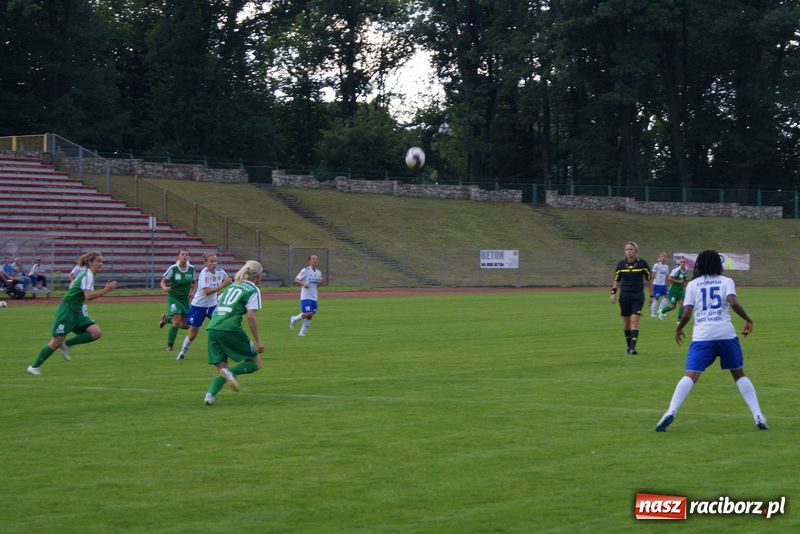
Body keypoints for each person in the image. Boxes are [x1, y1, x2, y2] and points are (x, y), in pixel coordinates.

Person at [655, 250, 767, 431]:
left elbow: (687, 312)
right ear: (718, 264)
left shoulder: (693, 284)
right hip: (725, 335)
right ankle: (758, 415)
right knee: (739, 374)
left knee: (691, 375)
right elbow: (733, 302)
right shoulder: (726, 281)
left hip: (702, 337)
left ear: (699, 265)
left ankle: (670, 412)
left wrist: (679, 328)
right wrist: (748, 319)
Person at [26, 252, 117, 375]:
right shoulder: (87, 275)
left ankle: (67, 344)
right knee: (56, 341)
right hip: (67, 311)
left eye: (102, 261)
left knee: (96, 333)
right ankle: (34, 367)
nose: (101, 263)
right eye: (98, 261)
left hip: (76, 311)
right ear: (90, 262)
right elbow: (88, 296)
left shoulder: (88, 274)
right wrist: (107, 289)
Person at [203, 260, 265, 406]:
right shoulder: (253, 290)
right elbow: (250, 316)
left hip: (212, 327)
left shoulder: (232, 285)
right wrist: (258, 341)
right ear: (257, 276)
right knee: (255, 362)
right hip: (230, 328)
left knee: (222, 366)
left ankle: (209, 396)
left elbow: (219, 304)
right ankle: (230, 373)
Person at [175, 253, 232, 361]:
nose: (214, 263)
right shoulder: (204, 274)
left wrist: (224, 294)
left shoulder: (221, 272)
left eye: (215, 261)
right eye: (211, 261)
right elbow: (207, 292)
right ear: (205, 263)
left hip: (212, 306)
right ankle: (182, 352)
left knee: (222, 326)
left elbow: (229, 283)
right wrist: (223, 285)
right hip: (198, 306)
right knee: (192, 334)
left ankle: (224, 351)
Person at [610, 241, 652, 355]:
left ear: (636, 251)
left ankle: (633, 348)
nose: (629, 251)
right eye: (627, 249)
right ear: (625, 251)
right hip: (624, 296)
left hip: (637, 295)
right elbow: (616, 280)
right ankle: (629, 347)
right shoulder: (620, 265)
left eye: (631, 249)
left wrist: (651, 295)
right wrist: (613, 293)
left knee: (634, 320)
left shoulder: (642, 263)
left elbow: (649, 279)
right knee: (626, 324)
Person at [158, 249, 197, 352]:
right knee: (176, 322)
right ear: (178, 257)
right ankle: (170, 346)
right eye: (182, 254)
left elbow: (194, 282)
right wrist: (164, 288)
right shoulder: (173, 269)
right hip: (174, 297)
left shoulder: (192, 269)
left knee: (185, 325)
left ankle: (166, 319)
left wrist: (193, 291)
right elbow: (163, 281)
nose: (184, 256)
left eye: (186, 255)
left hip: (184, 299)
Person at [289, 254, 325, 337]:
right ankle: (294, 319)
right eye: (313, 259)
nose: (315, 260)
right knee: (308, 313)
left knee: (310, 315)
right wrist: (303, 284)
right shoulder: (305, 270)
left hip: (314, 297)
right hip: (306, 297)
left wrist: (321, 282)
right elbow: (296, 279)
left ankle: (301, 333)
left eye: (316, 259)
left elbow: (317, 285)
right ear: (309, 261)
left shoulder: (319, 272)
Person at [658, 256, 689, 322]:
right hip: (674, 291)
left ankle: (679, 320)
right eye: (681, 262)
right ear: (679, 263)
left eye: (684, 262)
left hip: (681, 290)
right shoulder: (676, 270)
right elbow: (669, 278)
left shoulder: (686, 270)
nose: (683, 263)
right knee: (673, 306)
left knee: (682, 304)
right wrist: (679, 281)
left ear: (685, 263)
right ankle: (662, 311)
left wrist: (685, 281)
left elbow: (684, 279)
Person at [650, 252, 670, 317]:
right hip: (657, 285)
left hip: (663, 285)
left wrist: (667, 284)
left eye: (665, 257)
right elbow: (652, 276)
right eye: (662, 257)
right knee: (656, 298)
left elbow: (667, 276)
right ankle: (653, 313)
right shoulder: (656, 265)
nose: (663, 258)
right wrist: (652, 285)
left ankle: (660, 311)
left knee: (667, 297)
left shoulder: (666, 267)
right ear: (660, 258)